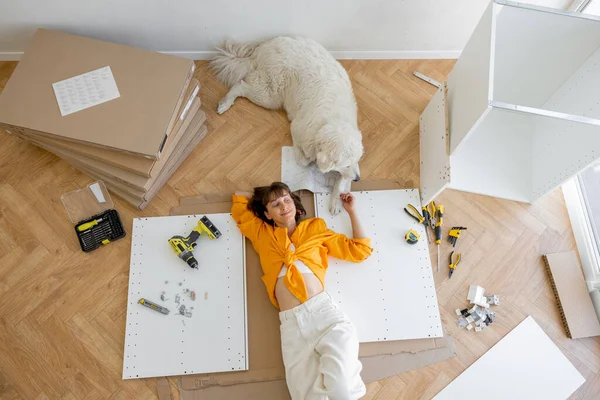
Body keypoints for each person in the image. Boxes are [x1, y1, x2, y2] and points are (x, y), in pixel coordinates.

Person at [231, 182, 373, 399]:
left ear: (296, 207)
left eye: (287, 199)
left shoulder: (316, 228)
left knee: (341, 389)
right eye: (275, 204)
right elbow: (239, 201)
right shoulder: (261, 233)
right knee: (306, 396)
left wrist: (352, 212)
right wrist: (263, 196)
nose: (283, 206)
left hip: (324, 317)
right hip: (292, 328)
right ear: (267, 214)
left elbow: (359, 250)